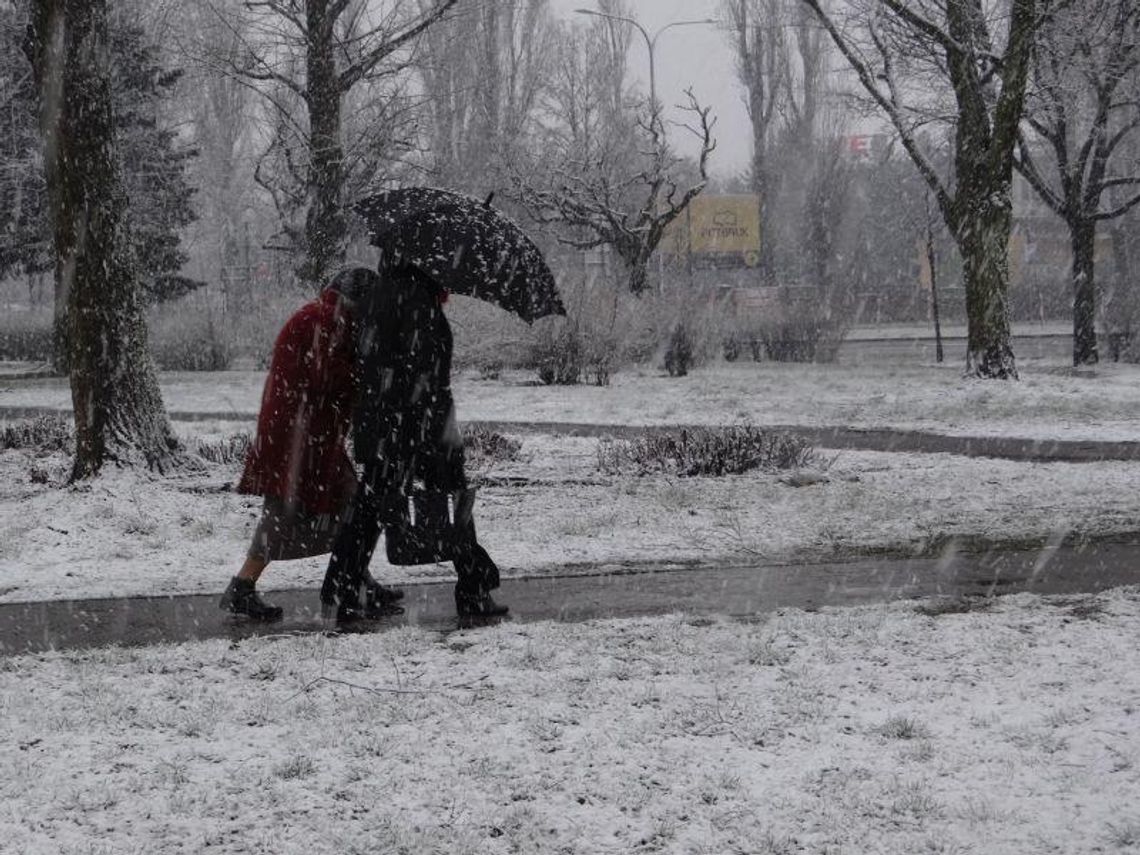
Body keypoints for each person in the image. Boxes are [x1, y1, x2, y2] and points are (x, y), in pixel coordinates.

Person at [322, 255, 508, 622]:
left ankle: (342, 588)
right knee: (455, 505)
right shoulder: (417, 302)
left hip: (386, 426)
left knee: (369, 509)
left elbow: (382, 365)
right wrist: (441, 429)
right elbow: (424, 373)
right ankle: (473, 587)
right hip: (416, 427)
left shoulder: (382, 296)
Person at [220, 268, 404, 621]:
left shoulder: (325, 317)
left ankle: (357, 580)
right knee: (284, 514)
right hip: (299, 437)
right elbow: (329, 377)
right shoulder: (324, 321)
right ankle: (242, 587)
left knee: (351, 505)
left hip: (306, 433)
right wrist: (366, 370)